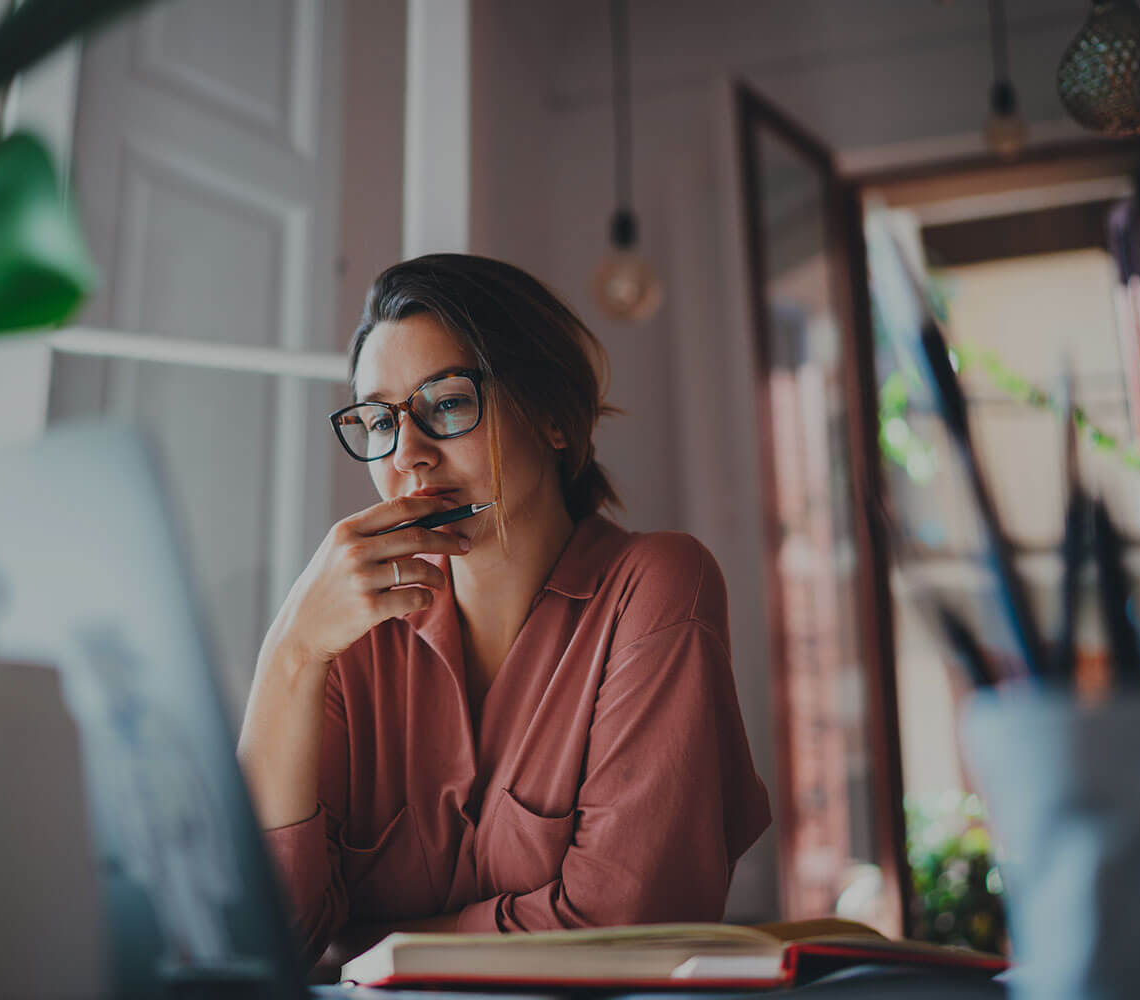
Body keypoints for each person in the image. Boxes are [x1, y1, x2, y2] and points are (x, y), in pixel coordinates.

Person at [237, 254, 770, 965]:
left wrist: (367, 946)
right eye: (379, 421)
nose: (410, 458)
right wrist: (291, 653)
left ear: (552, 415)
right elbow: (263, 941)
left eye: (448, 403)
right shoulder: (347, 637)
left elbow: (624, 926)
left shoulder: (657, 586)